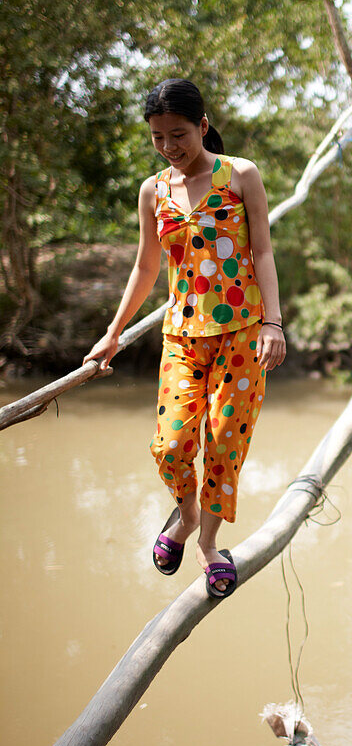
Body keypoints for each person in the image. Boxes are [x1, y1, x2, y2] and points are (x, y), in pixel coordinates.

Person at [84, 78, 286, 597]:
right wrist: (113, 335)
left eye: (178, 133)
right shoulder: (153, 190)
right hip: (184, 335)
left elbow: (262, 252)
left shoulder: (240, 175)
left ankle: (209, 545)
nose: (169, 146)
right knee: (172, 446)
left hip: (242, 334)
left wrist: (273, 323)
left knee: (223, 442)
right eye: (157, 137)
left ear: (202, 126)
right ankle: (188, 511)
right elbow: (147, 265)